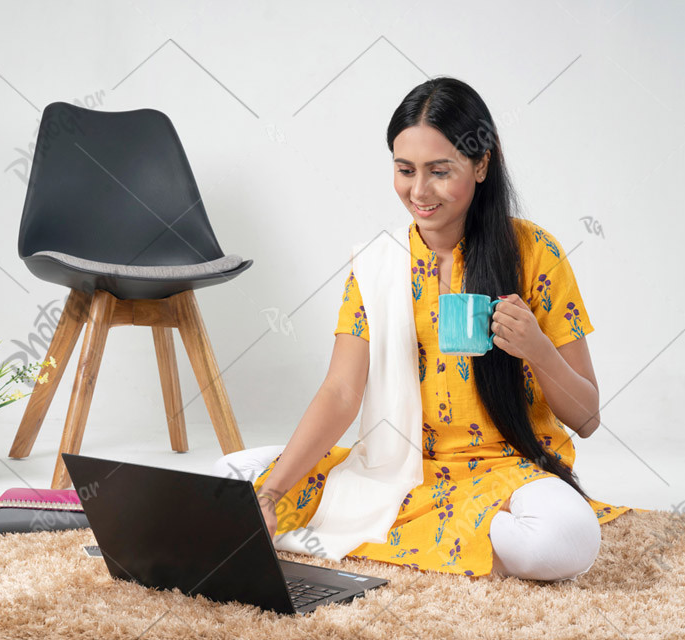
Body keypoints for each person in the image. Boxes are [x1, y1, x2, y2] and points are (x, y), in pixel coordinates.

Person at [212, 77, 639, 581]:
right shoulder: (378, 263)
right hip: (400, 471)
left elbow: (586, 418)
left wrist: (538, 350)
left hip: (505, 475)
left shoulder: (535, 253)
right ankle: (447, 536)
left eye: (440, 172)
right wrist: (273, 493)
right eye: (404, 170)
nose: (419, 191)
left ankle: (383, 534)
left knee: (563, 540)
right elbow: (341, 391)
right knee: (228, 476)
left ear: (481, 165)